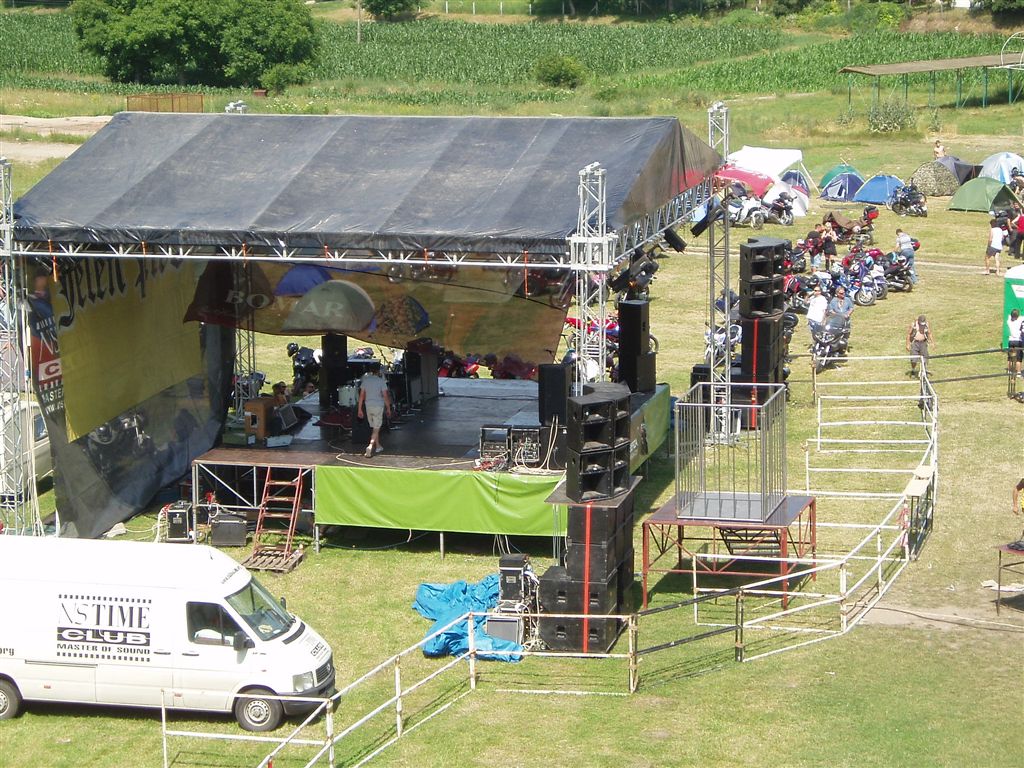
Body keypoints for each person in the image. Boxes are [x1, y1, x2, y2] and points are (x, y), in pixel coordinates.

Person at [356, 361, 392, 457]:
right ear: (379, 370)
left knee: (374, 427)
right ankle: (370, 446)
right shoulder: (381, 381)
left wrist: (359, 409)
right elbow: (385, 396)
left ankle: (378, 446)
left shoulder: (365, 381)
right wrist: (388, 408)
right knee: (376, 428)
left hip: (368, 406)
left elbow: (361, 396)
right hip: (378, 406)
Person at [1008, 308, 1024, 378]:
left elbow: (1010, 316)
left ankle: (1009, 371)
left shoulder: (1009, 321)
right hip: (1018, 341)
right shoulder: (1019, 320)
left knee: (1010, 357)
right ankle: (1018, 372)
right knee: (1018, 358)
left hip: (1010, 340)